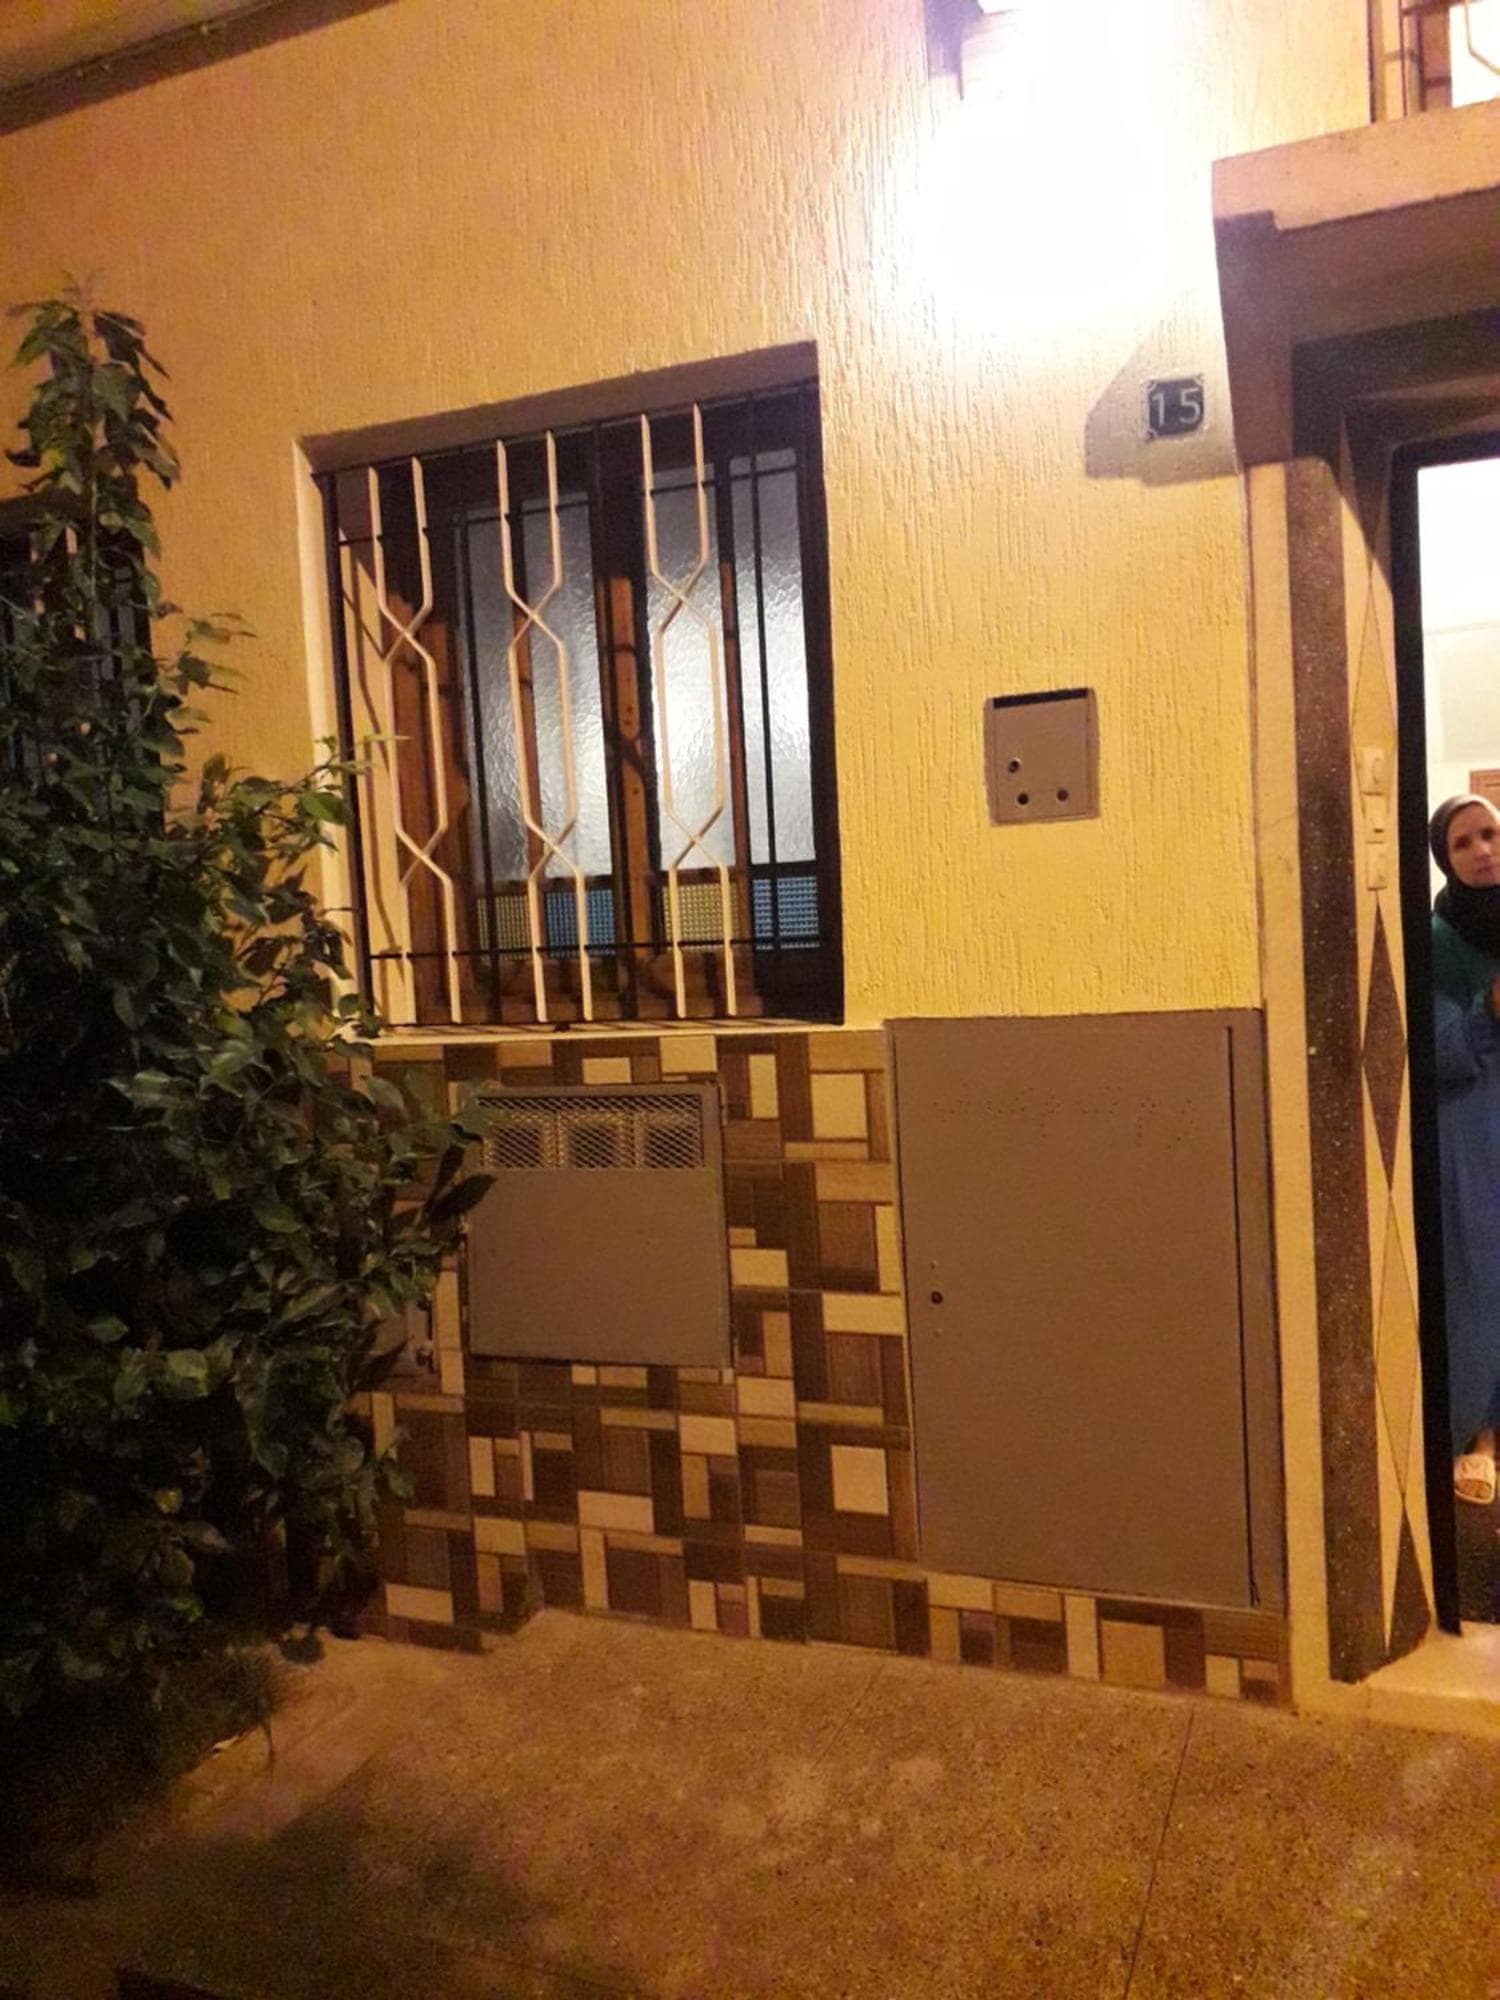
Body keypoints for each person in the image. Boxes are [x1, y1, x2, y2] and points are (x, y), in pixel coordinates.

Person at [1430, 793, 1500, 1505]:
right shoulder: (1436, 940)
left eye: (1490, 834)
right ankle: (1476, 1439)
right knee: (1479, 1284)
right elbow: (1435, 1050)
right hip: (1473, 1130)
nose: (1482, 851)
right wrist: (1489, 1009)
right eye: (1462, 843)